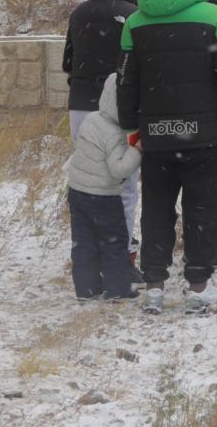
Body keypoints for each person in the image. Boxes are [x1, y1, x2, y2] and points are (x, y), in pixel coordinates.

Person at [117, 0, 217, 313]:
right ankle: (197, 286)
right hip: (204, 133)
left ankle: (155, 287)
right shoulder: (215, 19)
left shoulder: (135, 21)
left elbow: (127, 81)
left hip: (157, 134)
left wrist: (131, 126)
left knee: (157, 208)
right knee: (202, 209)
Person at [64, 0, 140, 237]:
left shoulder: (79, 13)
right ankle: (122, 252)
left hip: (81, 106)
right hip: (120, 107)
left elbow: (68, 63)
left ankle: (91, 247)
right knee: (124, 184)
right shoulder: (134, 14)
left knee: (89, 181)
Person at [65, 73, 143, 302]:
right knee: (113, 244)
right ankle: (118, 289)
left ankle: (87, 289)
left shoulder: (91, 119)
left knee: (84, 243)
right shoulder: (116, 134)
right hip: (104, 198)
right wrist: (137, 150)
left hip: (78, 192)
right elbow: (119, 169)